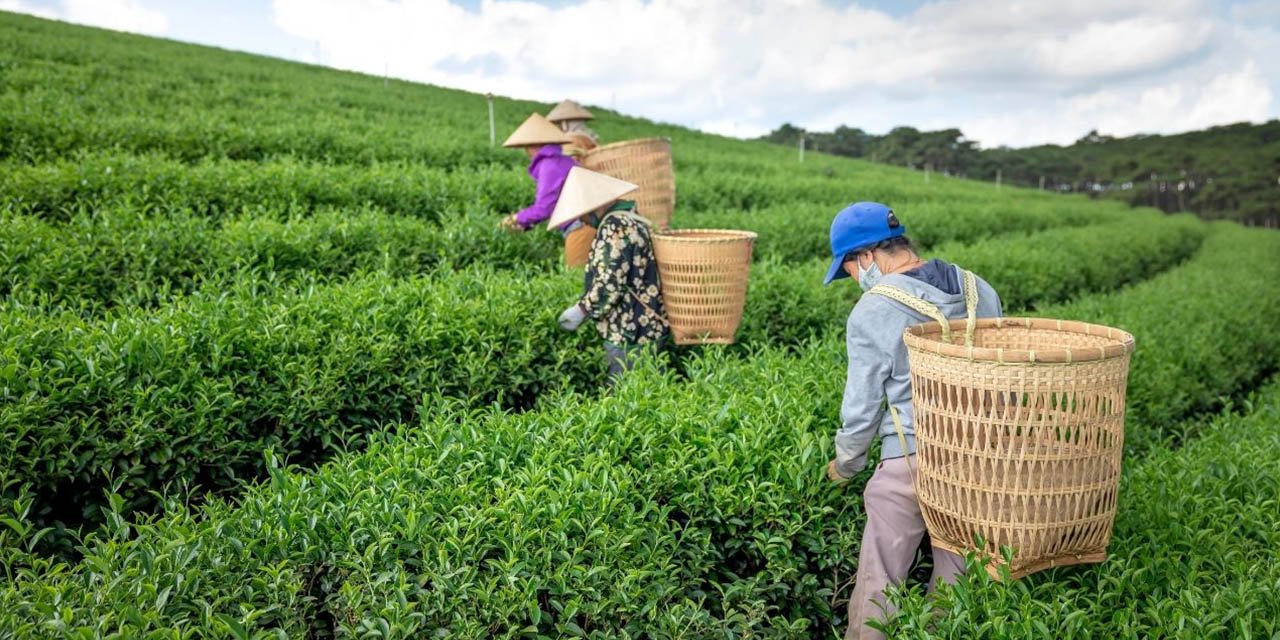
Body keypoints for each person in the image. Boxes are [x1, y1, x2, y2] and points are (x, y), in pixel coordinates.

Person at [821, 202, 1003, 640]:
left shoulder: (873, 308)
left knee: (879, 580)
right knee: (957, 585)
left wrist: (845, 464)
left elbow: (861, 409)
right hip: (979, 458)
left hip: (911, 459)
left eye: (847, 268)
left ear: (866, 256)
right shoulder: (979, 288)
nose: (852, 279)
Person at [551, 166, 669, 381]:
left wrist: (582, 309)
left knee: (623, 395)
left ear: (593, 206)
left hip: (629, 330)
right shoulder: (631, 217)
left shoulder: (613, 227)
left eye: (581, 213)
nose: (583, 221)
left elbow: (610, 281)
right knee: (651, 391)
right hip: (650, 324)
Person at [499, 112, 594, 267]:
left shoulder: (550, 166)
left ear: (535, 145)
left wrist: (515, 219)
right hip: (587, 221)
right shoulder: (559, 160)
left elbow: (544, 209)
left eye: (527, 146)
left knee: (577, 275)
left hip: (583, 224)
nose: (526, 151)